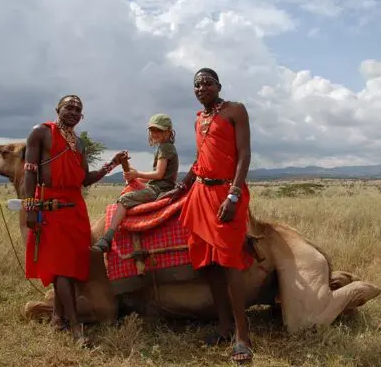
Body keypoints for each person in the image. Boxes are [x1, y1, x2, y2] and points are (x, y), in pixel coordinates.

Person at [163, 68, 254, 363]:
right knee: (208, 263)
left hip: (225, 193)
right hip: (200, 194)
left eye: (207, 82)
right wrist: (182, 186)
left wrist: (234, 194)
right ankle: (224, 326)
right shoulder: (198, 119)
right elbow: (201, 160)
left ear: (218, 86)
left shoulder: (235, 110)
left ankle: (243, 336)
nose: (202, 87)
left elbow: (244, 154)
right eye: (197, 84)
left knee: (230, 262)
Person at [24, 94, 127, 345]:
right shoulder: (41, 132)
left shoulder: (79, 144)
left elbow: (84, 179)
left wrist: (111, 165)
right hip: (51, 206)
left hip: (75, 208)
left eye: (78, 109)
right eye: (69, 106)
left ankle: (58, 319)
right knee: (61, 268)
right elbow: (30, 171)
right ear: (57, 108)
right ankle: (75, 329)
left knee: (71, 265)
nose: (73, 111)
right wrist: (30, 206)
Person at [91, 113, 179, 252]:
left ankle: (108, 236)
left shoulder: (165, 148)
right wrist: (136, 177)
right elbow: (159, 176)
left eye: (159, 130)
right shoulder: (164, 147)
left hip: (159, 189)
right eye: (152, 130)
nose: (154, 133)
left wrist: (137, 174)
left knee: (125, 199)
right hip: (160, 185)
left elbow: (159, 174)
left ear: (168, 131)